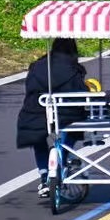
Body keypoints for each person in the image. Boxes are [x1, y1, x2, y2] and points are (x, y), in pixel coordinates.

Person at [16, 37, 88, 199]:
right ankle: (64, 153)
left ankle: (44, 173)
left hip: (36, 112)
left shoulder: (37, 66)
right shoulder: (74, 68)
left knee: (36, 137)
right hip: (67, 113)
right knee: (75, 127)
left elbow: (30, 90)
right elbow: (80, 94)